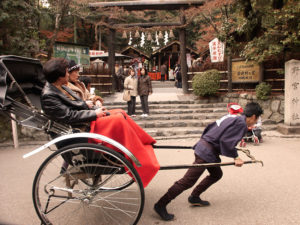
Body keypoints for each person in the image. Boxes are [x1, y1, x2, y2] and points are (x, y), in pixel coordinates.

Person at [41, 58, 159, 187]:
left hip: (83, 121)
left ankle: (142, 142)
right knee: (117, 120)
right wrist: (94, 113)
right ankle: (135, 153)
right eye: (66, 72)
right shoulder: (49, 95)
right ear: (59, 76)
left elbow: (73, 105)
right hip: (79, 128)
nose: (68, 74)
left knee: (120, 112)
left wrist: (87, 105)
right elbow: (68, 115)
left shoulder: (59, 86)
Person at [154, 102, 263, 221]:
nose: (255, 122)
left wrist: (207, 142)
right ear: (253, 116)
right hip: (206, 152)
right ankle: (160, 204)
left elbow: (211, 127)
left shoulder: (233, 117)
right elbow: (227, 141)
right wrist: (236, 157)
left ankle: (194, 197)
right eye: (256, 119)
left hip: (207, 147)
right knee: (187, 181)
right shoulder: (241, 123)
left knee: (216, 174)